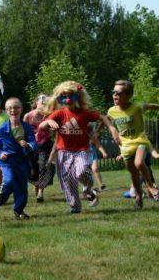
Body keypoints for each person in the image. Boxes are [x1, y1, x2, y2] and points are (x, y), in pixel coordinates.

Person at [39, 80, 120, 214]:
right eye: (64, 96)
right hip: (63, 152)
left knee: (81, 171)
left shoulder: (84, 113)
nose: (68, 99)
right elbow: (42, 126)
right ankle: (75, 207)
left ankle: (88, 190)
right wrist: (49, 121)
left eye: (71, 95)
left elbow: (104, 117)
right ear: (59, 98)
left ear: (78, 96)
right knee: (68, 182)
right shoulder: (59, 114)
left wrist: (112, 129)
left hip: (81, 150)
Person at [107, 80, 159, 209]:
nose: (114, 95)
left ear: (128, 95)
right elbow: (106, 121)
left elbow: (151, 106)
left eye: (118, 93)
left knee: (139, 163)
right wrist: (100, 131)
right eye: (113, 92)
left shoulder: (136, 107)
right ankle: (139, 197)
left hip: (140, 139)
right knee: (133, 173)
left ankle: (151, 187)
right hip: (125, 145)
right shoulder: (112, 111)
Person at [0, 97, 38, 219]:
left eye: (16, 107)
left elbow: (34, 142)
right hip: (7, 161)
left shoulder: (26, 127)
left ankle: (19, 211)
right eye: (10, 108)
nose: (13, 110)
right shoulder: (2, 129)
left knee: (21, 187)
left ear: (21, 109)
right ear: (6, 110)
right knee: (9, 181)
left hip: (22, 161)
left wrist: (29, 145)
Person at [24, 93, 55, 202]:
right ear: (36, 102)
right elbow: (23, 130)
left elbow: (53, 129)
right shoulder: (28, 116)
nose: (43, 102)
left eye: (45, 101)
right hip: (31, 146)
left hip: (45, 145)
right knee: (33, 169)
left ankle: (40, 193)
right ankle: (37, 185)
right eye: (41, 100)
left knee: (43, 166)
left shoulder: (49, 116)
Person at [88, 124, 107, 191]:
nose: (90, 134)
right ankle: (89, 187)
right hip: (83, 157)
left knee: (95, 169)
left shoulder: (93, 138)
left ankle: (101, 184)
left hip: (92, 155)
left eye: (90, 133)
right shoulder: (80, 138)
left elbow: (98, 145)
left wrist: (103, 152)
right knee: (86, 173)